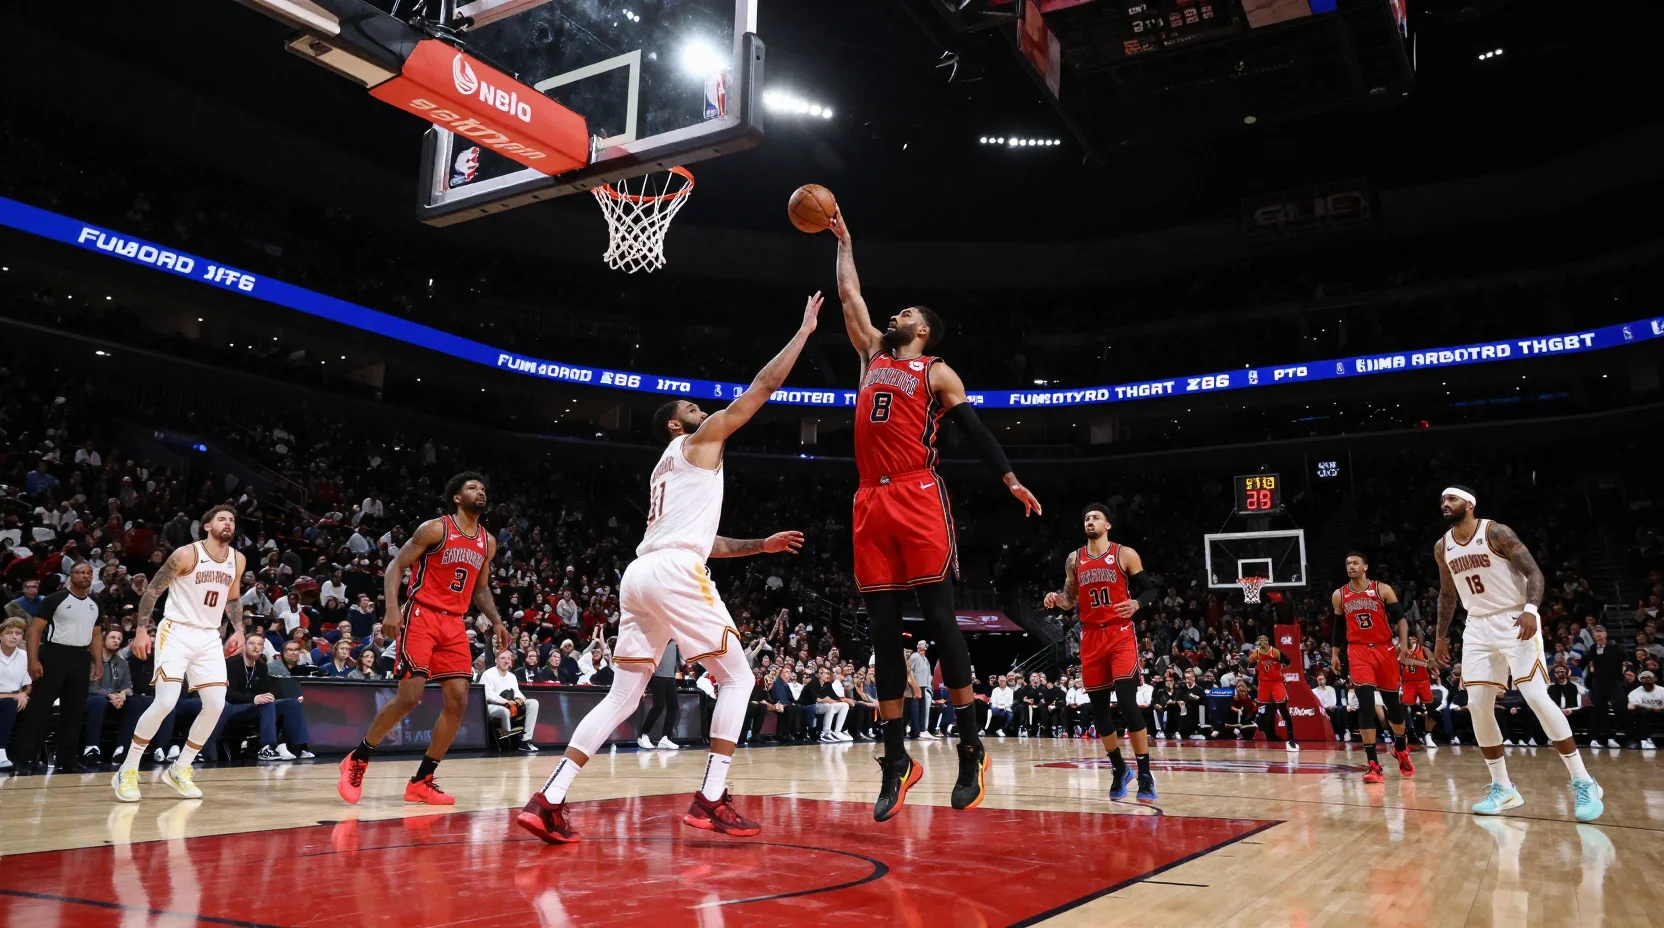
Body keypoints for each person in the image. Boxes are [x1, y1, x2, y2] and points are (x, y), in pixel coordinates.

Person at [517, 295, 818, 845]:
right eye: (693, 408)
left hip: (642, 574)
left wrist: (762, 546)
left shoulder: (670, 467)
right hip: (674, 571)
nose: (704, 410)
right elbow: (760, 391)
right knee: (740, 678)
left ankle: (548, 800)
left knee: (622, 696)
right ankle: (711, 799)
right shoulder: (697, 441)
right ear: (677, 423)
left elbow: (710, 543)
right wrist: (803, 333)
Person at [830, 210, 1041, 820]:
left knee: (943, 620)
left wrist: (1010, 478)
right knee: (881, 629)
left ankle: (971, 747)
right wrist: (845, 241)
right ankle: (897, 760)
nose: (896, 316)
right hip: (869, 497)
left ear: (924, 330)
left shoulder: (939, 372)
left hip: (919, 494)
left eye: (907, 314)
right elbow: (850, 294)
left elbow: (974, 429)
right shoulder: (872, 352)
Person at [337, 473, 509, 806]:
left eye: (484, 489)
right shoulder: (436, 528)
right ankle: (358, 758)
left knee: (459, 700)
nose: (481, 492)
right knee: (410, 696)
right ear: (457, 498)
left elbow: (481, 588)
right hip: (422, 614)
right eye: (472, 488)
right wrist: (391, 609)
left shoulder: (487, 542)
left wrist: (497, 620)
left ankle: (422, 780)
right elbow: (395, 566)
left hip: (455, 623)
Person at [1432, 486, 1602, 821]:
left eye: (1451, 499)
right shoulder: (1442, 546)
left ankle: (1585, 781)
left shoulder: (1496, 531)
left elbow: (1534, 573)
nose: (1444, 505)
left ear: (1469, 504)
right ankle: (1504, 789)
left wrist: (1531, 610)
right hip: (1477, 626)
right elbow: (1447, 593)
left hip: (1514, 617)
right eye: (1441, 501)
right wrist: (1439, 636)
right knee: (1478, 706)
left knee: (1536, 697)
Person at [112, 505, 245, 800]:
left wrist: (238, 630)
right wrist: (142, 630)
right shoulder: (186, 554)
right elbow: (152, 591)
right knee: (166, 702)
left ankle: (180, 768)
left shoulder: (238, 559)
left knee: (215, 705)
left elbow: (233, 597)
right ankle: (128, 767)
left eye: (232, 520)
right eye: (222, 518)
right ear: (207, 526)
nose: (228, 523)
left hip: (209, 636)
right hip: (176, 631)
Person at [1043, 503, 1159, 800]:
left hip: (1120, 634)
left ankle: (1145, 774)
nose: (1089, 521)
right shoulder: (1074, 559)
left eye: (1095, 518)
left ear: (1108, 525)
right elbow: (1070, 601)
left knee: (1128, 704)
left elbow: (1150, 590)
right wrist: (1056, 599)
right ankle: (1120, 769)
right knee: (1099, 713)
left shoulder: (1124, 554)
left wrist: (1137, 604)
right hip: (1090, 637)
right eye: (1086, 518)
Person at [11, 562, 104, 775]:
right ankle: (24, 758)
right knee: (40, 708)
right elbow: (34, 630)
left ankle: (67, 759)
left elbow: (97, 634)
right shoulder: (56, 599)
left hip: (81, 656)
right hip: (54, 654)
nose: (85, 576)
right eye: (81, 572)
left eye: (89, 573)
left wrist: (98, 662)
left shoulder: (95, 603)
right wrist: (32, 661)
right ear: (71, 576)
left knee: (74, 710)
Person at [1332, 552, 1413, 784]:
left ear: (1365, 566)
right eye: (1347, 563)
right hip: (1358, 651)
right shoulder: (1340, 595)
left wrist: (1404, 645)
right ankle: (1373, 765)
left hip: (1384, 650)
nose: (1351, 566)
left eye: (1355, 563)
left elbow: (1401, 620)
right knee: (1366, 706)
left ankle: (1400, 748)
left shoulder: (1382, 589)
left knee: (1393, 707)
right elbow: (1338, 628)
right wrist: (1335, 653)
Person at [212, 632, 311, 761]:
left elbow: (267, 689)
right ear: (244, 646)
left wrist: (274, 696)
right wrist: (254, 699)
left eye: (259, 644)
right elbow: (227, 694)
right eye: (252, 643)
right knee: (266, 703)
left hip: (253, 707)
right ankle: (267, 747)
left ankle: (299, 747)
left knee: (291, 704)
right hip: (232, 708)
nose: (256, 647)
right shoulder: (231, 664)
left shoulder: (261, 666)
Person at [82, 626, 135, 763]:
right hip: (89, 699)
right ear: (103, 638)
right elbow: (88, 686)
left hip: (114, 700)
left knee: (136, 702)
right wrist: (109, 695)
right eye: (112, 637)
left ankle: (121, 748)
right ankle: (91, 748)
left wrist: (123, 694)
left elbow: (128, 686)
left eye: (119, 638)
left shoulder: (122, 663)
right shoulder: (90, 658)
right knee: (99, 702)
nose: (116, 641)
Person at [480, 649, 540, 752]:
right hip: (491, 706)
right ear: (496, 661)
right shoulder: (488, 674)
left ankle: (525, 741)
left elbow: (516, 692)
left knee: (533, 703)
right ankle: (506, 742)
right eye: (503, 658)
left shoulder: (512, 676)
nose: (506, 661)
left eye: (508, 658)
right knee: (504, 711)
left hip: (510, 704)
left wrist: (520, 699)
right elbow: (487, 695)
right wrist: (505, 702)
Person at [1247, 635, 1298, 751]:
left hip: (1276, 682)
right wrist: (1253, 665)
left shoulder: (1275, 652)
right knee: (1267, 711)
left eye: (1265, 639)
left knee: (1283, 709)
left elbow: (1288, 661)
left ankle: (1291, 738)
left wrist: (1279, 661)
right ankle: (1270, 735)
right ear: (1258, 642)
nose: (1263, 641)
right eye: (1261, 640)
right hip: (1264, 683)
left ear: (1268, 642)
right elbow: (1249, 664)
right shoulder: (1256, 653)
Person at [1582, 625, 1628, 748]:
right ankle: (1610, 738)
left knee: (1621, 709)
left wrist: (1623, 674)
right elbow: (1585, 661)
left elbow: (1626, 660)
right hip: (1599, 684)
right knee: (1601, 712)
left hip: (1615, 683)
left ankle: (1630, 738)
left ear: (1605, 633)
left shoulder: (1615, 646)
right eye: (1594, 633)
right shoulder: (1593, 648)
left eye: (1599, 632)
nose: (1597, 634)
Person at [637, 641, 684, 751]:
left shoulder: (674, 641)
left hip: (670, 677)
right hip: (657, 676)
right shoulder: (658, 636)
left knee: (673, 707)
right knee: (658, 706)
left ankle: (665, 737)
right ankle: (643, 734)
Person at [0, 616, 33, 771]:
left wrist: (24, 694)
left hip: (14, 698)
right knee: (8, 705)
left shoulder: (24, 656)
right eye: (9, 632)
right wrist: (15, 696)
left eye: (18, 633)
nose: (14, 636)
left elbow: (28, 685)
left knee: (38, 708)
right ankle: (0, 752)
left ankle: (28, 755)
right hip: (7, 699)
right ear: (1, 635)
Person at [1398, 634, 1438, 747]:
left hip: (1423, 681)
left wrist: (1430, 663)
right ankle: (1410, 733)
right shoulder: (1400, 648)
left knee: (1431, 707)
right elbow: (1395, 663)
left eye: (1414, 636)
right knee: (1405, 708)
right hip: (1408, 683)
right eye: (1409, 637)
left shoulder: (1424, 649)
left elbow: (1433, 664)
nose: (1412, 639)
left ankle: (1428, 734)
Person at [1626, 671, 1664, 749]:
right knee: (1639, 712)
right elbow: (1630, 706)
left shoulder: (1662, 690)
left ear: (1654, 679)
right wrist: (1648, 708)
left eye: (1648, 677)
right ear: (1640, 680)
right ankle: (1645, 740)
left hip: (1660, 713)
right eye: (1644, 678)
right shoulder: (1635, 692)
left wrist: (1660, 708)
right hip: (1645, 714)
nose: (1646, 679)